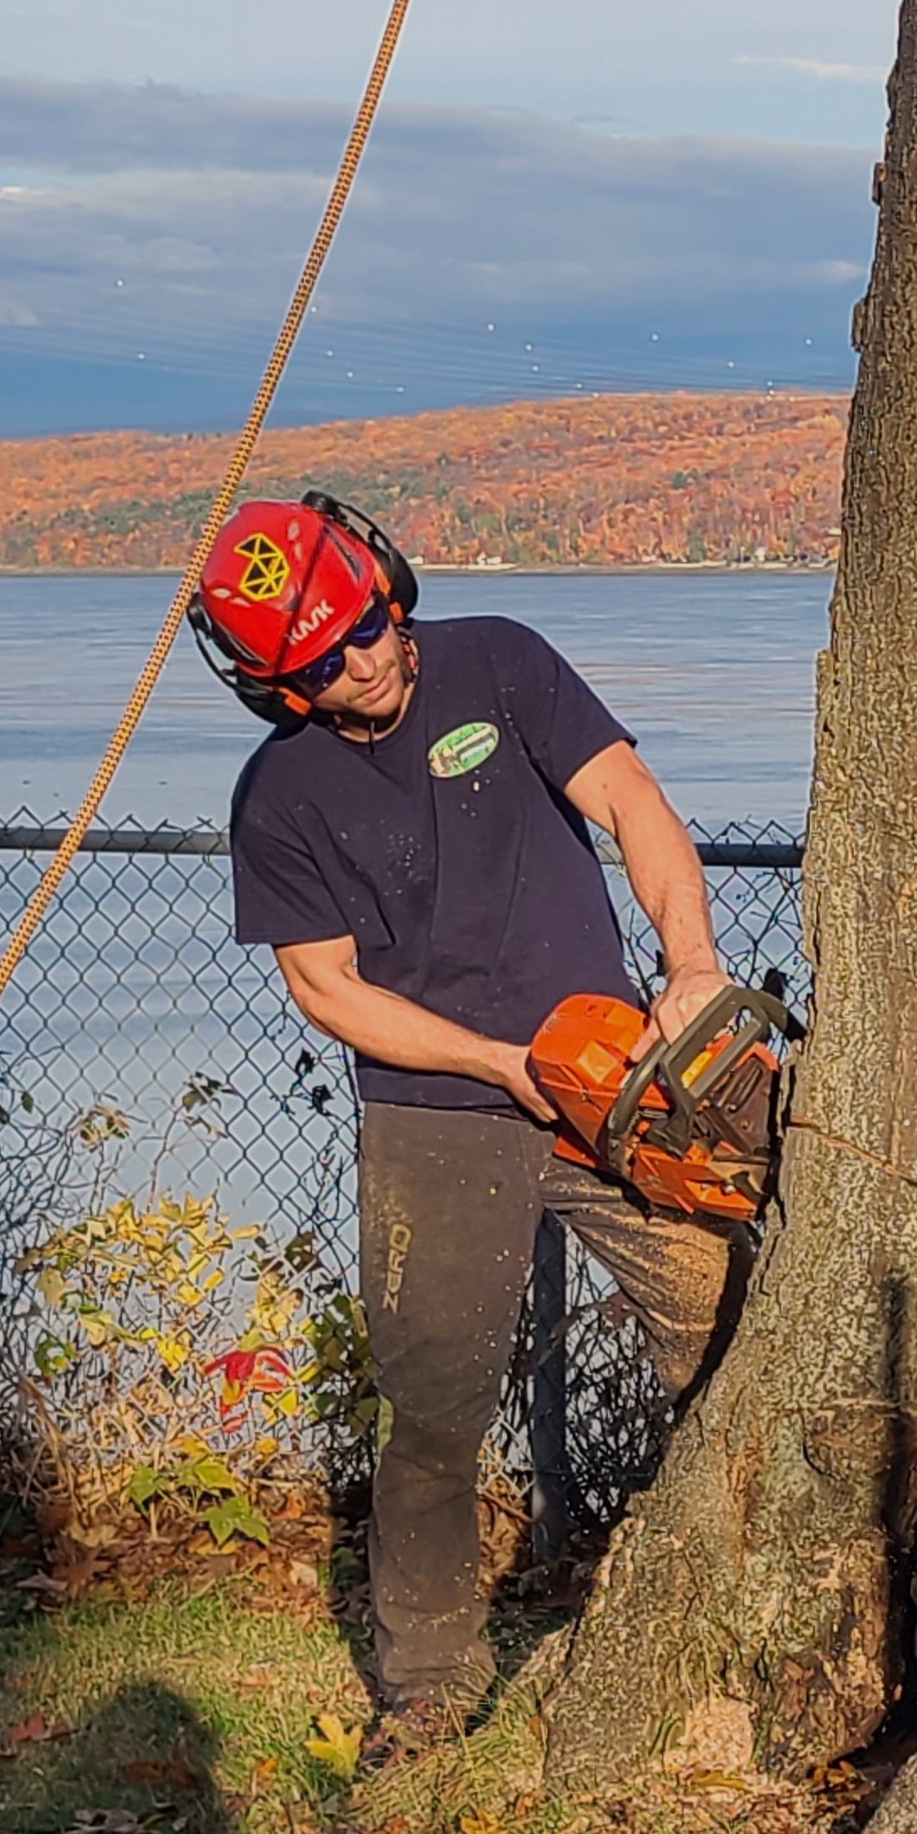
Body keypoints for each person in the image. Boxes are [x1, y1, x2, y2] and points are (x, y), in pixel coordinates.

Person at [192, 490, 745, 1755]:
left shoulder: (503, 661)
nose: (366, 660)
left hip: (612, 1080)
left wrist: (692, 962)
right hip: (438, 1114)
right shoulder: (279, 796)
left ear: (391, 582)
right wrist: (501, 1066)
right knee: (435, 1410)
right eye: (324, 659)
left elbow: (634, 802)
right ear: (278, 686)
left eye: (371, 624)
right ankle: (428, 1683)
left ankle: (731, 1603)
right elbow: (329, 988)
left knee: (730, 1328)